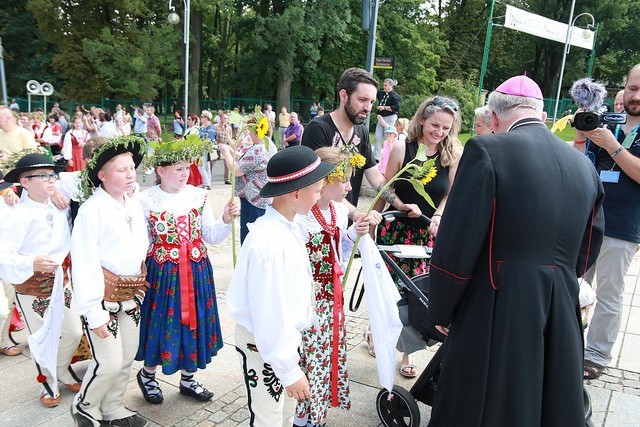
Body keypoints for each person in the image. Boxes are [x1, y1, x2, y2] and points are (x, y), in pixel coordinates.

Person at [427, 75, 604, 426]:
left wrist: (443, 309)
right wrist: (559, 280)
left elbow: (458, 241)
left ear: (494, 117)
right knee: (546, 401)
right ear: (541, 113)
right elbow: (590, 242)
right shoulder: (584, 164)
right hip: (559, 304)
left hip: (495, 301)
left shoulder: (486, 149)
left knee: (481, 402)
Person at [227, 145, 334, 427]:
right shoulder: (269, 243)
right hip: (264, 344)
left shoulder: (289, 228)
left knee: (284, 415)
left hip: (279, 343)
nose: (321, 195)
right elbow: (269, 313)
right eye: (318, 190)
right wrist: (288, 369)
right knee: (268, 418)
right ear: (296, 193)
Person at [135, 138, 239, 405]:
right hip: (163, 275)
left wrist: (226, 219)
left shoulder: (198, 195)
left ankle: (188, 378)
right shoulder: (144, 200)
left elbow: (211, 236)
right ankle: (148, 375)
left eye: (187, 167)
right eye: (178, 168)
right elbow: (140, 242)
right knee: (163, 323)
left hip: (196, 270)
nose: (185, 174)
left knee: (195, 322)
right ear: (160, 170)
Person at [372, 96, 462, 377]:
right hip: (397, 229)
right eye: (435, 125)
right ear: (422, 119)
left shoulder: (452, 155)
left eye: (446, 128)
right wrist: (374, 220)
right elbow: (385, 188)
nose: (439, 132)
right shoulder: (403, 147)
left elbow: (450, 193)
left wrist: (438, 216)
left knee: (417, 294)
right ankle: (380, 333)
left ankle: (405, 350)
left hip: (427, 233)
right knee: (391, 292)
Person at [70, 136, 149, 427]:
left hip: (131, 294)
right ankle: (86, 405)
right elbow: (84, 264)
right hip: (103, 297)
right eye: (121, 170)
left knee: (127, 356)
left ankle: (114, 406)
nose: (130, 174)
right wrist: (94, 312)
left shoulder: (134, 203)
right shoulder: (92, 212)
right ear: (102, 175)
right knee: (109, 362)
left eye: (132, 168)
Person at [293, 147, 369, 427]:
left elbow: (339, 251)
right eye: (345, 181)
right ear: (323, 183)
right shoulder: (303, 216)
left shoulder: (338, 210)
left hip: (331, 298)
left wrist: (352, 234)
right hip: (310, 300)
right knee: (307, 356)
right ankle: (300, 417)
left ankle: (315, 413)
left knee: (324, 353)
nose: (350, 187)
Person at [0, 153, 83, 407]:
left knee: (72, 332)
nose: (51, 181)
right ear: (24, 182)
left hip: (60, 282)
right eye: (43, 176)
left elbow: (85, 177)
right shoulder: (16, 214)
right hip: (32, 286)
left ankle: (59, 369)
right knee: (41, 337)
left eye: (52, 175)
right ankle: (47, 380)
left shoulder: (60, 205)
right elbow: (4, 253)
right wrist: (30, 262)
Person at [575, 64, 640, 380]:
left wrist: (610, 145)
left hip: (623, 224)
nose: (635, 94)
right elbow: (583, 166)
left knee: (609, 292)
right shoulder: (607, 122)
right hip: (587, 219)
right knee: (573, 285)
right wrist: (582, 138)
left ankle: (597, 354)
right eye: (632, 87)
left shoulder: (611, 136)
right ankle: (568, 343)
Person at [302, 67, 415, 225]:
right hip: (318, 223)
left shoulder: (361, 131)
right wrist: (357, 215)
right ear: (343, 95)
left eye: (371, 102)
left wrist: (400, 205)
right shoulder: (318, 128)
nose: (368, 108)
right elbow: (319, 184)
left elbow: (375, 177)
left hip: (344, 225)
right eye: (362, 100)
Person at [219, 119, 272, 244]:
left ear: (256, 131)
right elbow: (246, 159)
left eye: (250, 131)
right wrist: (233, 152)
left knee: (250, 238)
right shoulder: (258, 147)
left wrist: (226, 153)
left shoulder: (257, 149)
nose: (248, 133)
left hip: (254, 199)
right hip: (255, 197)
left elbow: (237, 170)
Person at [374, 79, 401, 161]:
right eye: (384, 85)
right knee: (377, 137)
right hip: (380, 118)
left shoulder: (395, 96)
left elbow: (396, 108)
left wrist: (384, 107)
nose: (384, 87)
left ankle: (389, 157)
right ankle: (376, 157)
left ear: (390, 86)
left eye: (385, 85)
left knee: (388, 139)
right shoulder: (381, 93)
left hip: (390, 118)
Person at [214, 112, 234, 184]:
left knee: (227, 162)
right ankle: (209, 177)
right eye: (224, 118)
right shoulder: (215, 126)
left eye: (226, 118)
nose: (225, 120)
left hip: (225, 145)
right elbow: (213, 137)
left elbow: (230, 138)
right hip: (217, 145)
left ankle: (227, 179)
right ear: (220, 118)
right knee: (212, 161)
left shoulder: (229, 128)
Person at [198, 110, 216, 189]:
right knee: (206, 167)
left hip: (206, 150)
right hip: (202, 149)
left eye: (202, 116)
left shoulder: (211, 127)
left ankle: (207, 183)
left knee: (201, 167)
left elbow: (210, 139)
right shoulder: (202, 127)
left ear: (206, 118)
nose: (200, 118)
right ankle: (208, 184)